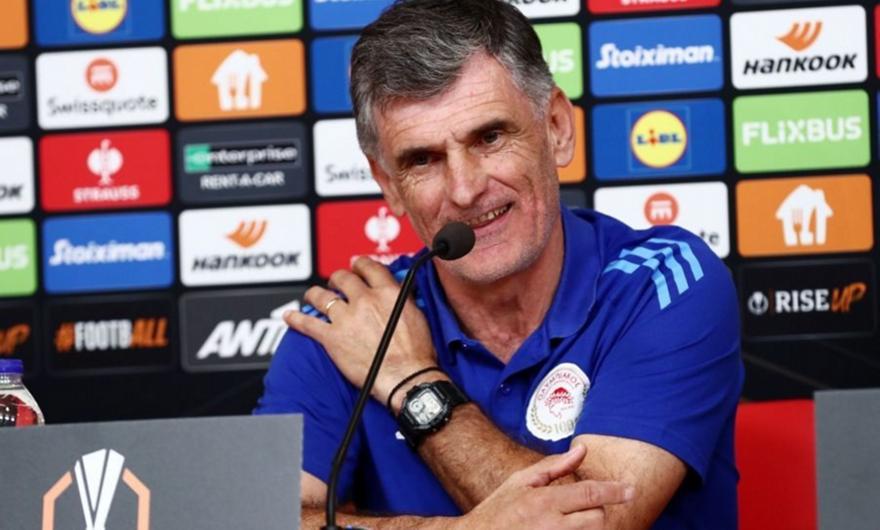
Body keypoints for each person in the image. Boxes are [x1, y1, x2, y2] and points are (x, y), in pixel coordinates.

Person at [254, 1, 744, 528]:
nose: (465, 190)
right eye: (423, 160)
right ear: (389, 185)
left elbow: (593, 524)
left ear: (556, 127)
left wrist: (412, 381)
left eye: (489, 138)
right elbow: (258, 520)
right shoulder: (349, 324)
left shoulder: (664, 282)